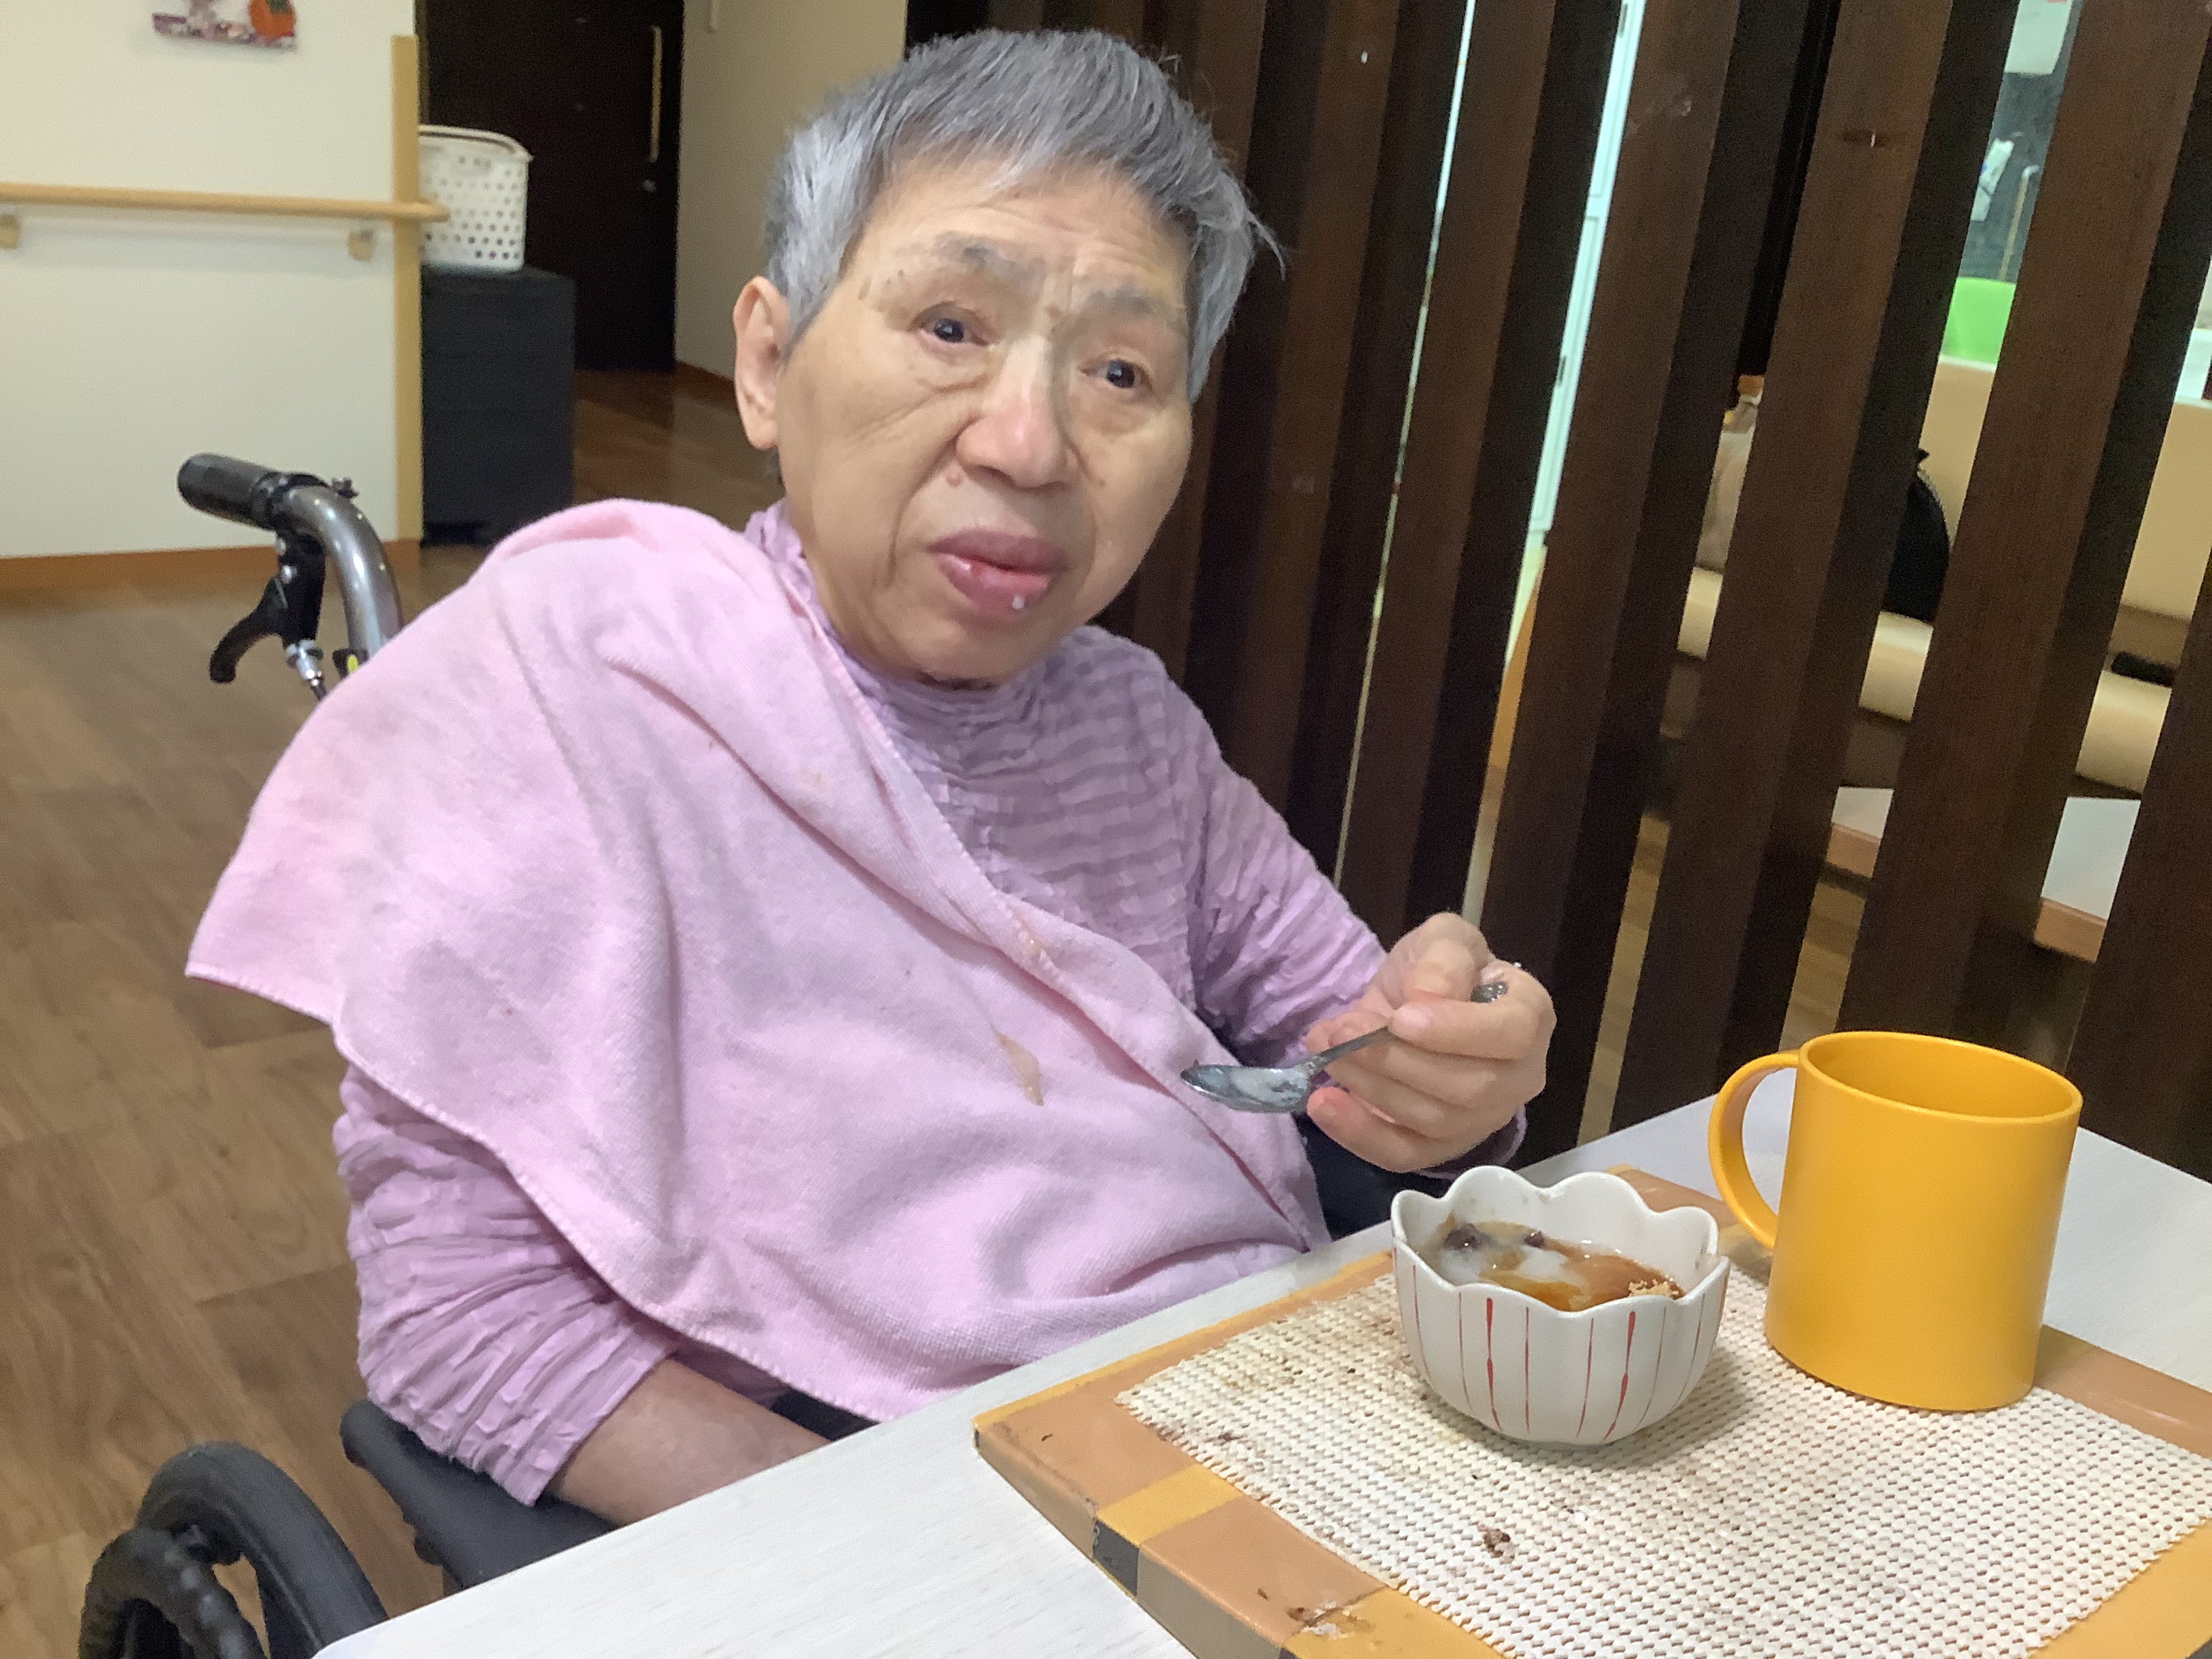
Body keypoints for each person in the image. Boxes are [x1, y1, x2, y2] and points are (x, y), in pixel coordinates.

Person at [191, 28, 1554, 1526]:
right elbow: (462, 1318)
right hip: (860, 1474)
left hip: (1235, 1404)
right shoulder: (572, 694)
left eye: (1121, 369)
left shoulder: (1132, 726)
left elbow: (1347, 1044)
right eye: (952, 325)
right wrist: (921, 1537)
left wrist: (1451, 1060)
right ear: (769, 365)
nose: (1030, 443)